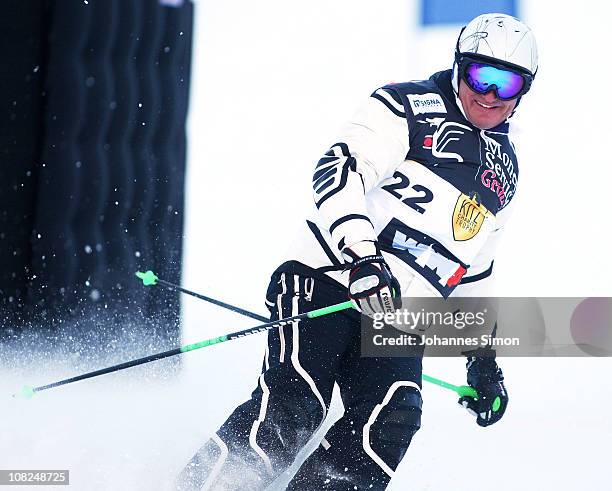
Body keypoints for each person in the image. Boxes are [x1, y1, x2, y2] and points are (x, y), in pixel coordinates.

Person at [177, 12, 538, 491]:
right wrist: (364, 257)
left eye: (506, 82)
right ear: (457, 66)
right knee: (295, 407)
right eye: (479, 74)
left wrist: (483, 359)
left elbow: (473, 272)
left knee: (388, 425)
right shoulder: (407, 105)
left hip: (399, 319)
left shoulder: (506, 171)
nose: (489, 93)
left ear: (522, 92)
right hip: (330, 276)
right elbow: (340, 170)